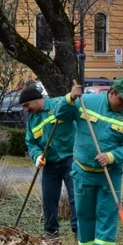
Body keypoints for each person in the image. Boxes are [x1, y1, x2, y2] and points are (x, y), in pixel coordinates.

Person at [56, 78, 123, 245]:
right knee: (84, 214)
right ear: (111, 93)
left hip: (109, 175)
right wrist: (69, 98)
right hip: (82, 172)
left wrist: (111, 156)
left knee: (107, 214)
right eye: (122, 100)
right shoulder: (86, 102)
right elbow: (61, 115)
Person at [21, 87, 77, 237]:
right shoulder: (32, 121)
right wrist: (38, 156)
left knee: (75, 195)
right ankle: (51, 231)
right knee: (49, 199)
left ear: (36, 99)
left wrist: (71, 97)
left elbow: (71, 107)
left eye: (27, 105)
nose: (27, 110)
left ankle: (79, 230)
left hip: (70, 157)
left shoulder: (58, 104)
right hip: (49, 163)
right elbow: (31, 143)